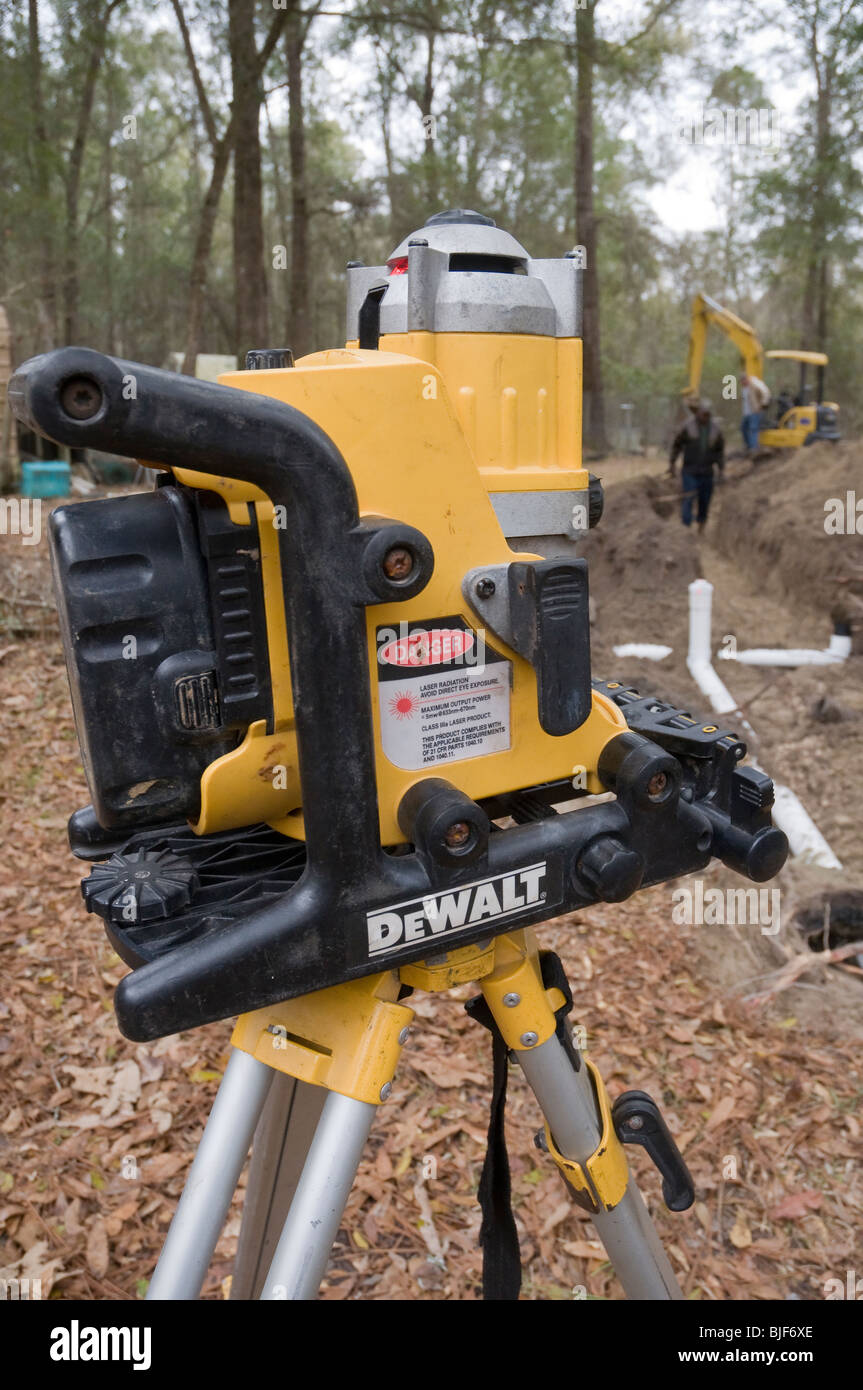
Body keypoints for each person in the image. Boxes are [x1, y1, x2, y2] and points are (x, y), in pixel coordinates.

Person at [668, 399, 725, 533]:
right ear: (697, 413)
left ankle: (701, 524)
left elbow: (719, 452)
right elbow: (677, 445)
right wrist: (672, 463)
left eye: (707, 414)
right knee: (688, 497)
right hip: (690, 470)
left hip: (707, 472)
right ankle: (685, 528)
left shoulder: (716, 430)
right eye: (703, 413)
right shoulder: (688, 427)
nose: (705, 416)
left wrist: (721, 469)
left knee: (705, 500)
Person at [739, 372, 770, 453]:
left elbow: (765, 393)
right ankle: (748, 446)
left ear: (746, 379)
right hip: (746, 413)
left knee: (753, 429)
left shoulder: (754, 385)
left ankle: (754, 448)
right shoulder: (743, 389)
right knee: (743, 428)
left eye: (744, 380)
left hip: (754, 411)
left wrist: (762, 405)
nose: (742, 382)